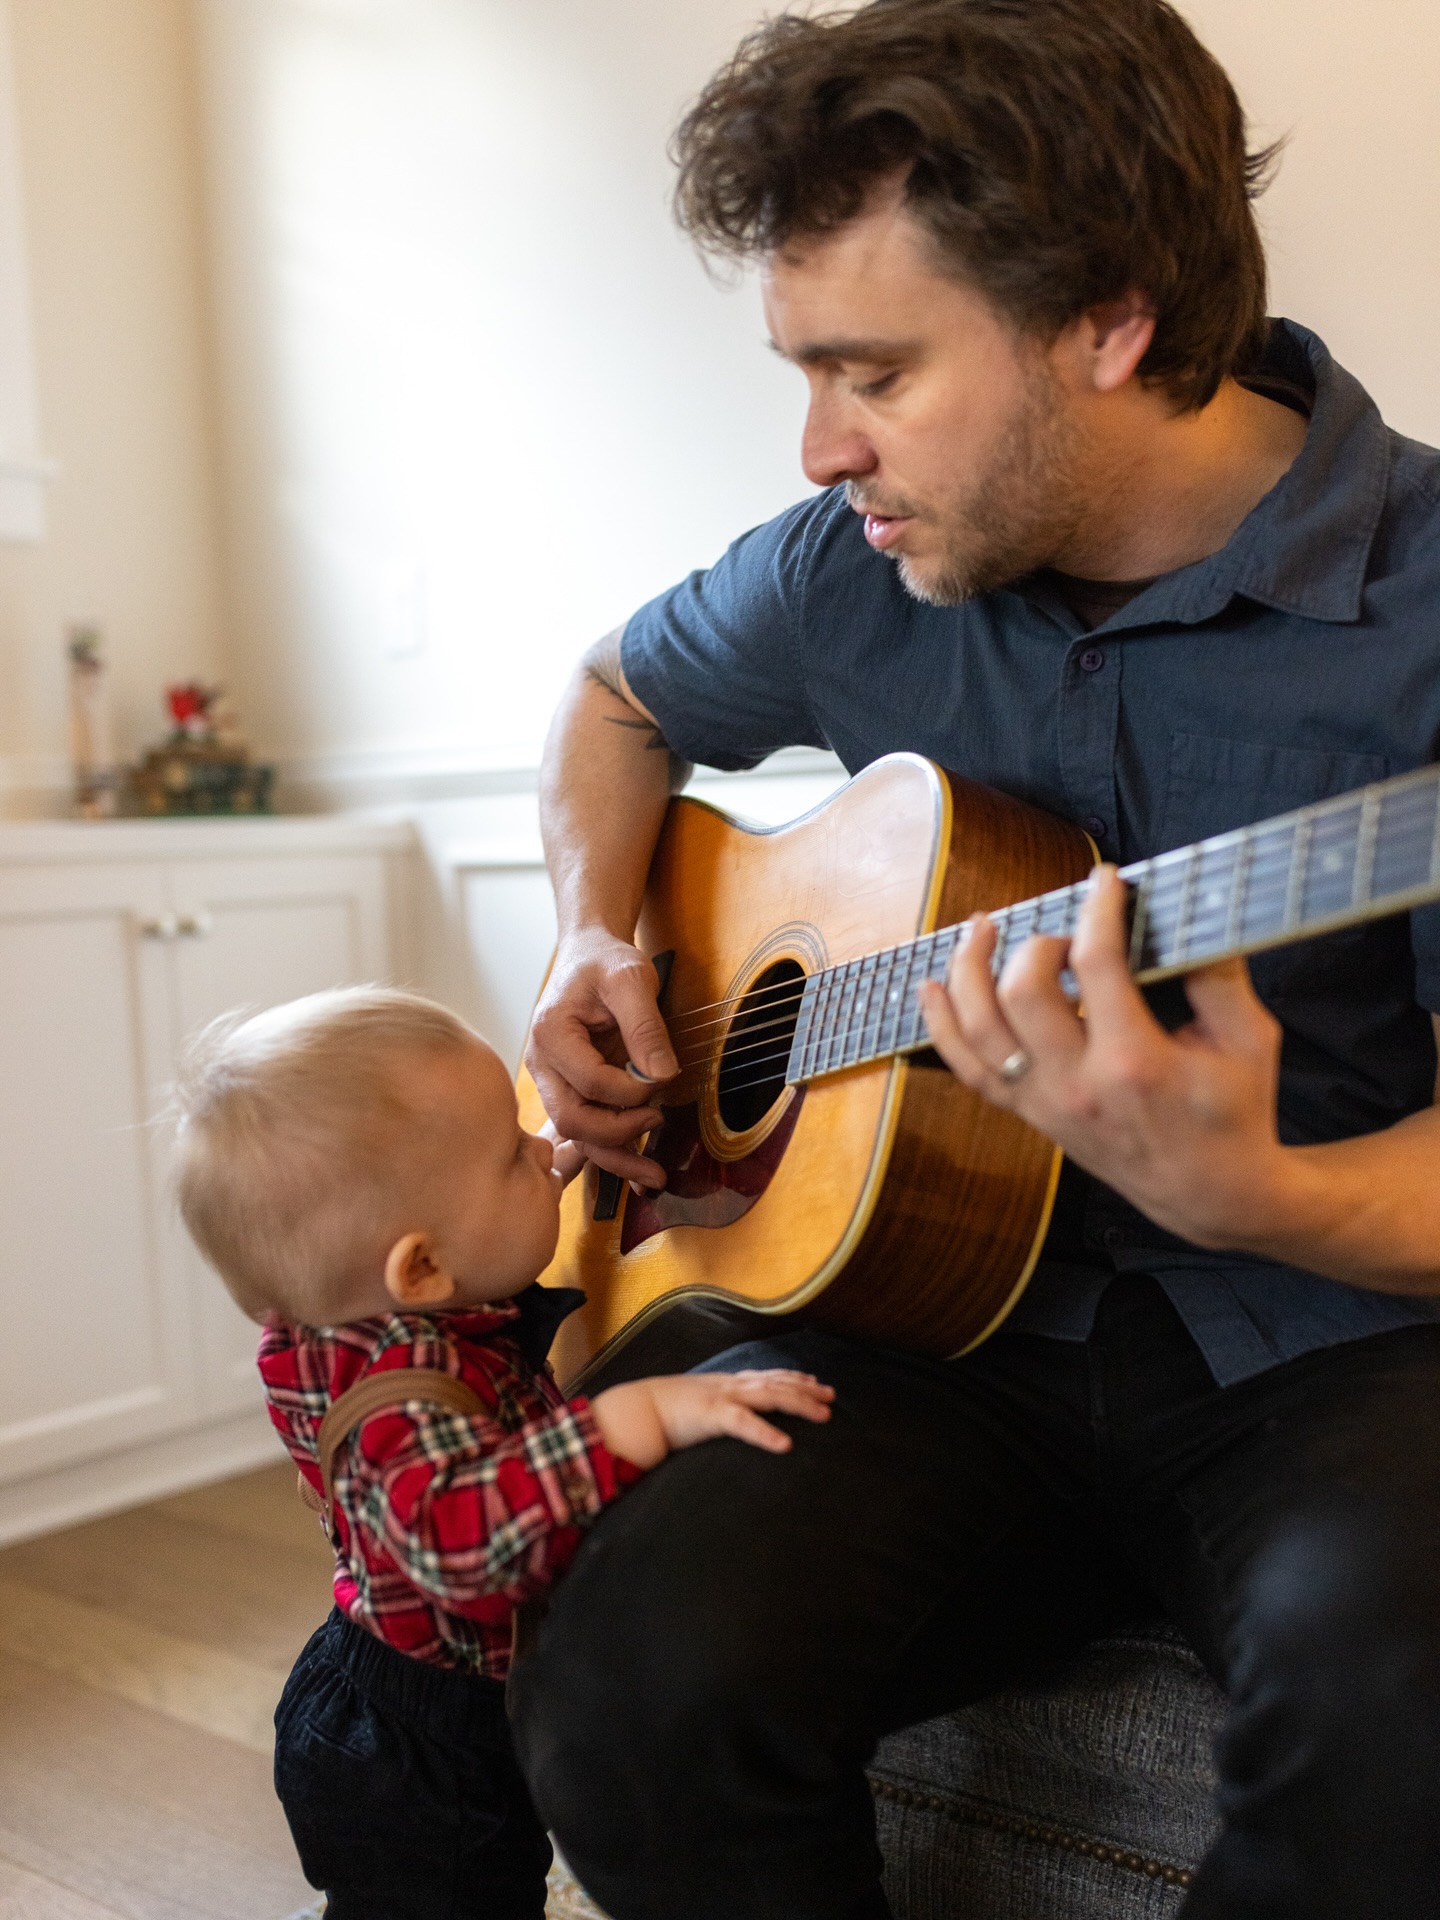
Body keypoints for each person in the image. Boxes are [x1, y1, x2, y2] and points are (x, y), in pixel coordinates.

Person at [510, 2, 1440, 1916]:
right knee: (623, 1683)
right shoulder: (841, 565)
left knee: (1399, 1709)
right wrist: (596, 927)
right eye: (801, 366)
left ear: (1107, 321)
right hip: (928, 1330)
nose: (818, 443)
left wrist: (1276, 1191)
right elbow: (610, 702)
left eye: (873, 370)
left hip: (1340, 1343)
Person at [172, 986, 834, 1920]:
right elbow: (462, 1547)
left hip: (374, 1695)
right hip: (425, 1759)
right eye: (511, 1153)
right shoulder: (398, 1399)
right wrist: (637, 1415)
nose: (545, 1147)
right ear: (422, 1270)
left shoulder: (331, 1316)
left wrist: (524, 1186)